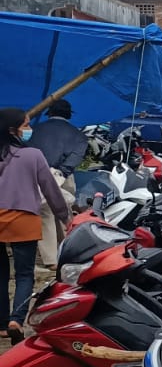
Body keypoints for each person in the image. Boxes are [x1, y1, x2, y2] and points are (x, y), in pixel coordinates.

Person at [0, 109, 69, 343]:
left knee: (0, 275)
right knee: (24, 274)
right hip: (23, 219)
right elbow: (51, 190)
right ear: (13, 129)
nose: (29, 129)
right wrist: (65, 218)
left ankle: (0, 324)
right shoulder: (33, 155)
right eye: (26, 125)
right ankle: (16, 320)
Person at [27, 100, 86, 271]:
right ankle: (67, 249)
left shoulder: (35, 130)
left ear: (49, 113)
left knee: (44, 213)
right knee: (65, 212)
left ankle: (51, 259)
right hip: (63, 177)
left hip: (37, 174)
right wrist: (60, 173)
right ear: (69, 115)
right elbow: (75, 158)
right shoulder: (78, 135)